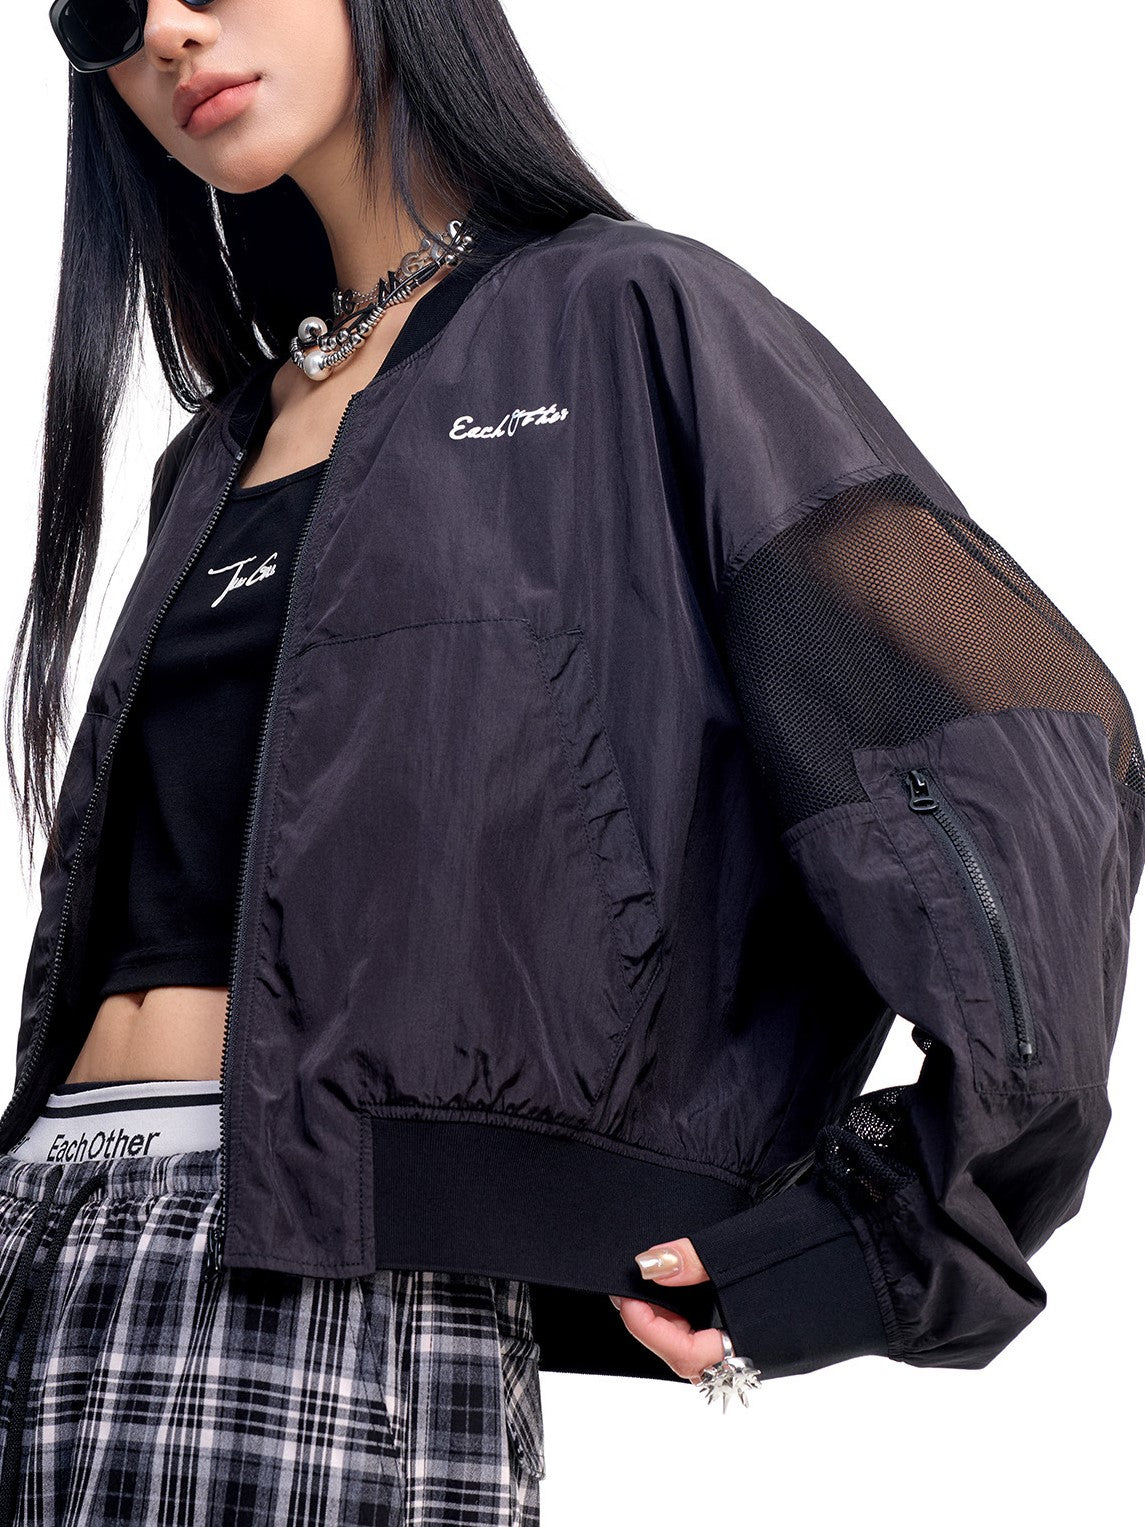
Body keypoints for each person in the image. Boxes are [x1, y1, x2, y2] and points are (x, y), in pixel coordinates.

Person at [2, 0, 1143, 1523]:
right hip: (47, 1229)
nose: (164, 28)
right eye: (102, 1)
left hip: (318, 1287)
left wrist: (888, 1224)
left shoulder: (633, 317)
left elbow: (1014, 747)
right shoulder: (214, 449)